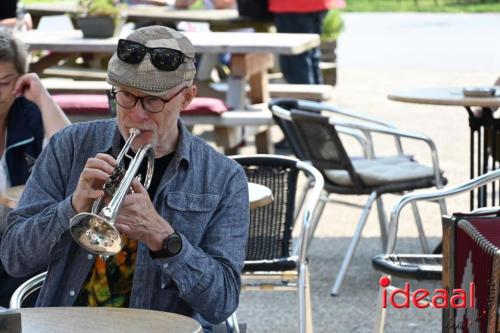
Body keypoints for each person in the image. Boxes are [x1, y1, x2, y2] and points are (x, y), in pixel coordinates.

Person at [0, 25, 249, 332]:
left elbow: (222, 302)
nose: (137, 115)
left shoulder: (224, 177)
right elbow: (13, 258)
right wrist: (72, 207)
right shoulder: (70, 146)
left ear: (187, 97)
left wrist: (164, 239)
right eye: (126, 97)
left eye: (153, 101)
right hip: (67, 324)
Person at [0, 29, 70, 308]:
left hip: (20, 240)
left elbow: (72, 155)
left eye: (4, 82)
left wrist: (42, 98)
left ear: (19, 80)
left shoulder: (28, 114)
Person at [269, 0, 334, 84]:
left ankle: (306, 96)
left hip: (292, 6)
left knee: (295, 60)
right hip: (317, 4)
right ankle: (314, 94)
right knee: (311, 53)